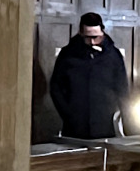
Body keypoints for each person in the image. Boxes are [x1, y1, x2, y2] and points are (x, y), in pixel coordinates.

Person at [49, 12, 130, 140]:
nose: (92, 42)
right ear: (81, 33)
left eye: (96, 38)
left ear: (102, 32)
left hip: (104, 123)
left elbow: (122, 88)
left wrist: (125, 117)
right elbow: (56, 87)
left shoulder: (113, 55)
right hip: (75, 124)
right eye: (87, 38)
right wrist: (67, 113)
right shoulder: (67, 54)